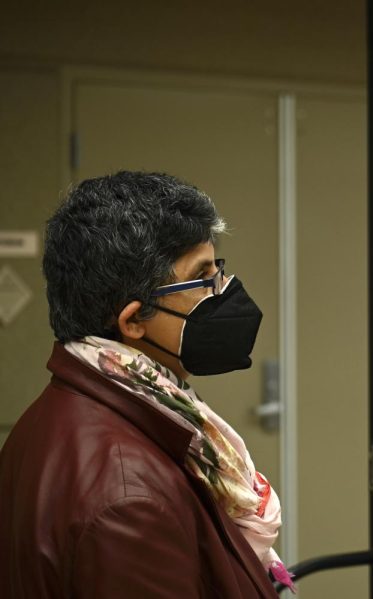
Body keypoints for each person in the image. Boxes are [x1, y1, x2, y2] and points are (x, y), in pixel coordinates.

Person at [0, 171, 292, 597]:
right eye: (204, 278)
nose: (224, 291)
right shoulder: (129, 500)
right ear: (133, 320)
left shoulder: (59, 410)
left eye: (219, 270)